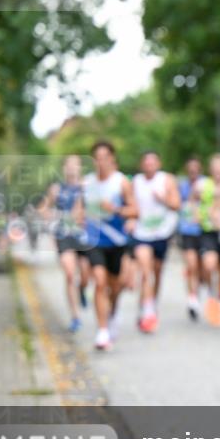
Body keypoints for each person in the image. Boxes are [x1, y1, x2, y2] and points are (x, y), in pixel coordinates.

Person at [82, 141, 138, 351]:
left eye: (105, 157)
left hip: (117, 242)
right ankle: (102, 331)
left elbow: (135, 211)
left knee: (115, 286)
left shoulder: (121, 182)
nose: (101, 162)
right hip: (94, 241)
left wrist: (115, 209)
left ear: (112, 159)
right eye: (97, 157)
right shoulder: (86, 184)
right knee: (99, 282)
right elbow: (79, 211)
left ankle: (112, 312)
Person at [39, 155, 91, 332]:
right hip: (63, 235)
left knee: (85, 275)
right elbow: (44, 208)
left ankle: (82, 289)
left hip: (83, 236)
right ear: (63, 168)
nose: (71, 168)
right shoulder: (56, 189)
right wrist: (50, 216)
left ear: (80, 168)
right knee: (70, 274)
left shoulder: (87, 186)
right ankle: (75, 317)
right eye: (68, 165)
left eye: (75, 165)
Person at [132, 150, 181, 333]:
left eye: (153, 163)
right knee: (145, 272)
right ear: (142, 165)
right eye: (146, 163)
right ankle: (147, 311)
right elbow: (131, 205)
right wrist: (130, 218)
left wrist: (163, 198)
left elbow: (177, 205)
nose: (150, 166)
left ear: (158, 164)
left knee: (157, 274)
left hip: (162, 233)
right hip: (141, 233)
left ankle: (151, 304)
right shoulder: (136, 182)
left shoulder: (166, 180)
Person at [189, 153, 220, 327]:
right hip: (208, 231)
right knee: (209, 264)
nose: (219, 171)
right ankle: (211, 293)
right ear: (211, 169)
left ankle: (218, 293)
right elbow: (191, 201)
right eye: (216, 167)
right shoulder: (202, 185)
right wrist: (195, 212)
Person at [177, 156, 205, 321]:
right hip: (187, 231)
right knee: (191, 265)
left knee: (203, 268)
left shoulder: (206, 184)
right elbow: (177, 204)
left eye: (196, 167)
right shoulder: (182, 185)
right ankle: (192, 299)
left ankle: (201, 291)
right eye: (190, 167)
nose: (193, 170)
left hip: (204, 231)